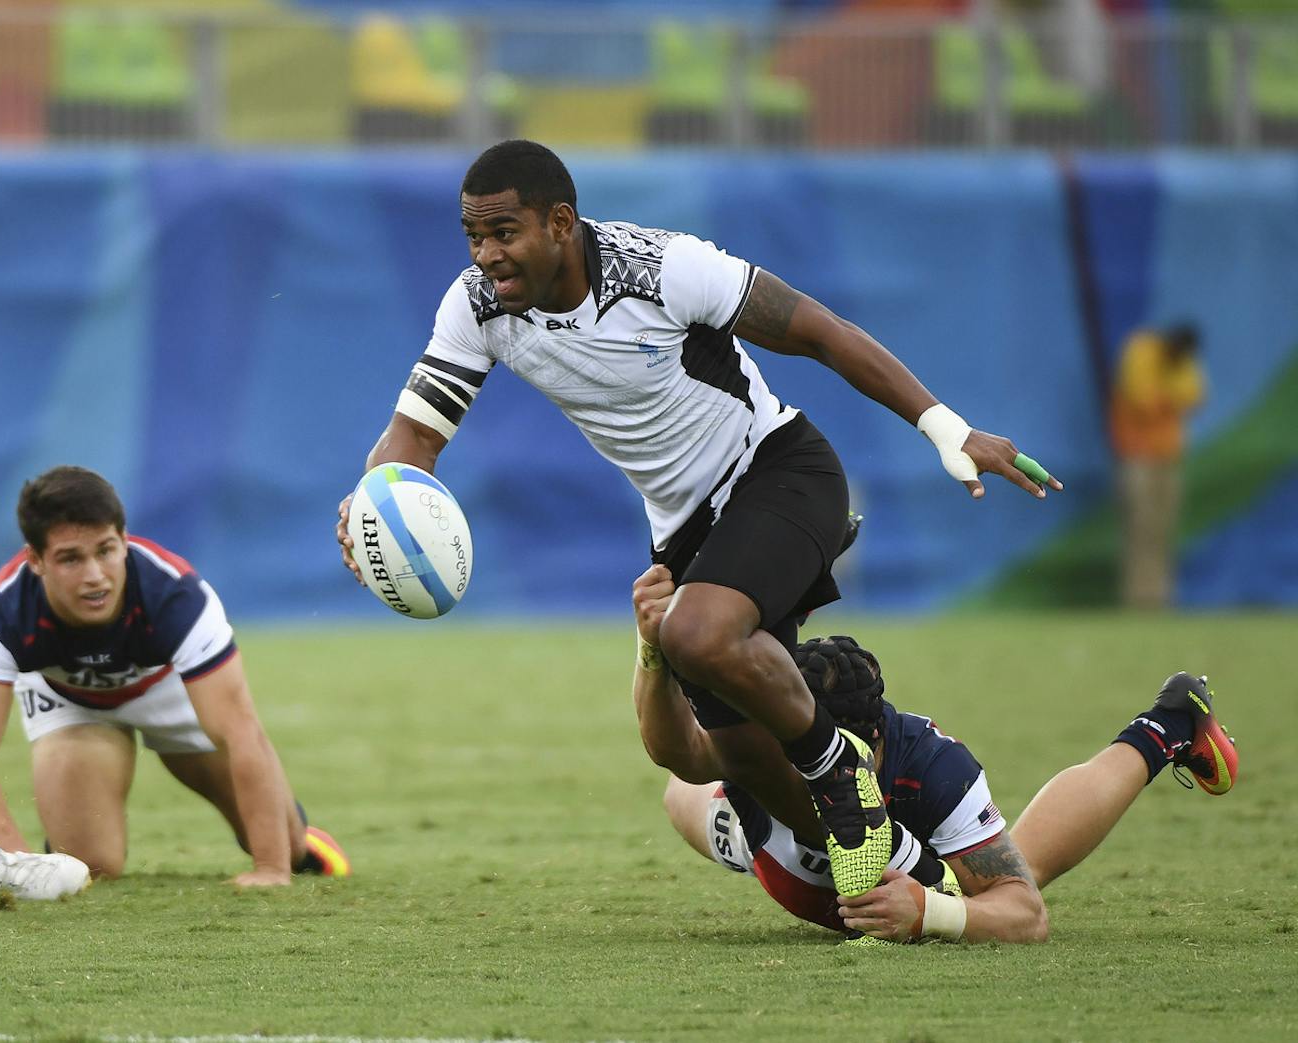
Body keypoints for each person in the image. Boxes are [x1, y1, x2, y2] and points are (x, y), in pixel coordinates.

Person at [336, 139, 1059, 901]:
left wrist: (945, 426)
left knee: (694, 632)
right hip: (685, 533)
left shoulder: (664, 268)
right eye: (473, 237)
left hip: (780, 472)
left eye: (503, 233)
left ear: (559, 222)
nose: (486, 255)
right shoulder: (477, 305)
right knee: (736, 755)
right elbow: (415, 437)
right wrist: (375, 502)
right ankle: (919, 878)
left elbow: (816, 328)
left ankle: (844, 766)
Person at [632, 564, 1239, 943]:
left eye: (821, 753)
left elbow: (1027, 917)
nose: (807, 767)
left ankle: (1168, 725)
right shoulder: (761, 744)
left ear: (873, 747)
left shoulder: (932, 768)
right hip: (777, 852)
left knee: (1010, 878)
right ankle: (1173, 721)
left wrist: (929, 912)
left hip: (915, 856)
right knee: (685, 794)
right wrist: (652, 649)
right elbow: (673, 751)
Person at [0, 466, 348, 886]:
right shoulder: (3, 612)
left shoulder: (176, 595)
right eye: (70, 558)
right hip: (71, 703)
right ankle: (68, 833)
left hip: (171, 687)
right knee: (91, 865)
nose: (95, 575)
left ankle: (303, 843)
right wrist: (16, 863)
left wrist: (272, 868)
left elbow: (240, 731)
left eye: (105, 550)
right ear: (36, 560)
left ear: (124, 540)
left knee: (284, 841)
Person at [1109, 322, 1206, 610]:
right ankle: (1138, 598)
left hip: (1168, 455)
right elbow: (1143, 400)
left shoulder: (1182, 361)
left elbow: (1197, 395)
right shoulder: (1141, 351)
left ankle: (1161, 598)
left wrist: (1168, 396)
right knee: (1140, 525)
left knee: (1164, 527)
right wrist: (1172, 397)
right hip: (1137, 454)